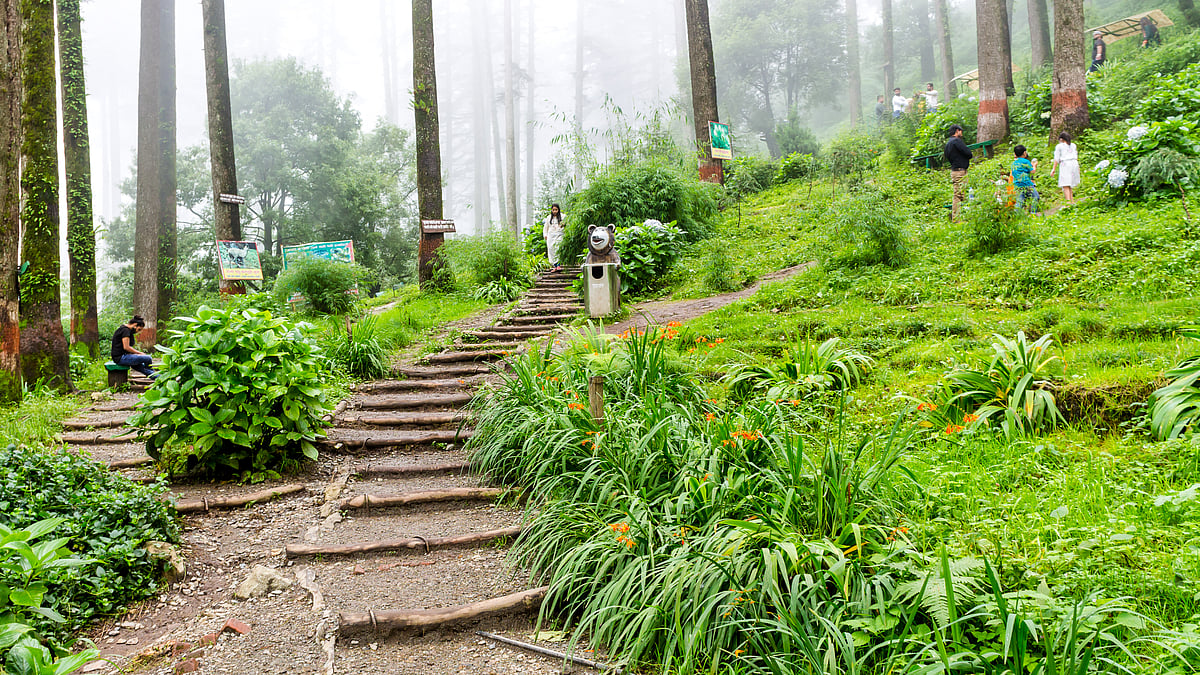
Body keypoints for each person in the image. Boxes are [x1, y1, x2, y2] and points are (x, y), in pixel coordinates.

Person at [111, 316, 158, 380]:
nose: (137, 332)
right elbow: (126, 347)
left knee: (144, 369)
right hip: (121, 357)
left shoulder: (125, 330)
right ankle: (154, 373)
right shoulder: (125, 331)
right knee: (148, 358)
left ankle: (159, 378)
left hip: (123, 356)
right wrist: (140, 353)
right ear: (135, 325)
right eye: (139, 329)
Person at [944, 124, 973, 220]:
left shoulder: (948, 143)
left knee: (961, 194)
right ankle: (956, 218)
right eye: (961, 131)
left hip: (954, 170)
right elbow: (968, 153)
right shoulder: (956, 141)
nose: (962, 133)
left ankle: (961, 216)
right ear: (957, 131)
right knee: (958, 195)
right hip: (960, 171)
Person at [1050, 131, 1081, 204]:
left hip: (1065, 164)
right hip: (1074, 163)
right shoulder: (1073, 145)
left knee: (1065, 184)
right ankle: (1072, 201)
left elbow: (1056, 158)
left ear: (1061, 139)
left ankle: (1068, 202)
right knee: (1070, 183)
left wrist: (1053, 169)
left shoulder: (1059, 146)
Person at [1011, 145, 1040, 213]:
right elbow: (1032, 171)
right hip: (1027, 184)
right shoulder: (1026, 161)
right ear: (1024, 153)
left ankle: (1017, 215)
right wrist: (1034, 165)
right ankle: (1033, 213)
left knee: (1019, 202)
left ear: (1015, 154)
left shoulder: (1014, 163)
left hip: (1017, 185)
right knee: (1036, 197)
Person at [543, 203, 565, 272]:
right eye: (553, 210)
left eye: (556, 210)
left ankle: (558, 265)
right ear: (551, 210)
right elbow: (546, 227)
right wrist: (545, 235)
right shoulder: (549, 217)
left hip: (559, 235)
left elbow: (567, 225)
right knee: (551, 249)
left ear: (558, 210)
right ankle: (555, 266)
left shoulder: (563, 216)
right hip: (551, 236)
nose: (555, 211)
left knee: (558, 249)